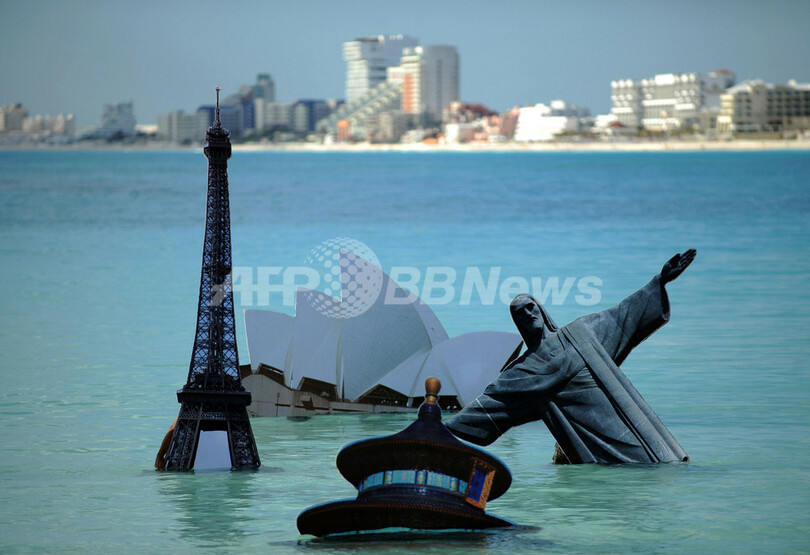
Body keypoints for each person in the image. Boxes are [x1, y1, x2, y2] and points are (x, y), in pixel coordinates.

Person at [445, 250, 696, 464]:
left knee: (659, 461)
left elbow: (624, 314)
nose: (528, 314)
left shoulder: (582, 331)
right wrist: (435, 424)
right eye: (520, 313)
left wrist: (660, 280)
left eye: (531, 308)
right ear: (517, 322)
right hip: (593, 441)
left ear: (541, 309)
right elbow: (486, 405)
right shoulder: (521, 372)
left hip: (627, 419)